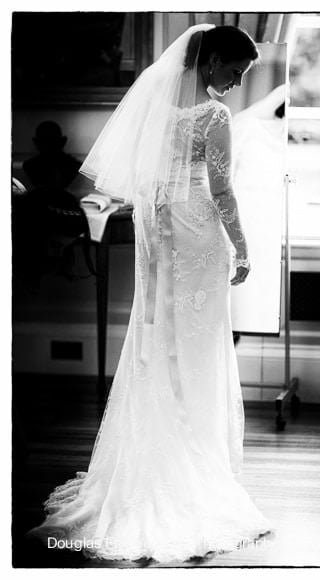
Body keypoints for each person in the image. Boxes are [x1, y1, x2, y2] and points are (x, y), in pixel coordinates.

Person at [26, 23, 273, 563]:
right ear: (211, 63)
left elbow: (146, 182)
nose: (234, 83)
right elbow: (222, 188)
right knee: (200, 348)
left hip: (161, 233)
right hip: (200, 232)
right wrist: (244, 247)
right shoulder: (213, 116)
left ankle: (157, 454)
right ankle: (188, 464)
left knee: (158, 343)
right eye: (234, 71)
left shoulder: (156, 109)